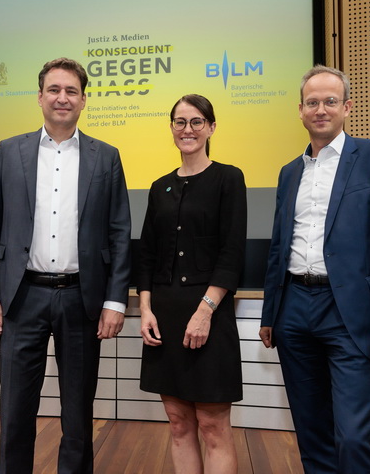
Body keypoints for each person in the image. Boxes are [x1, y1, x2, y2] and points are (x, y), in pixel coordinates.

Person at [0, 57, 131, 474]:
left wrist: (116, 302)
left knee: (78, 414)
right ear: (40, 96)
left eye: (71, 91)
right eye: (54, 90)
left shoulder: (107, 157)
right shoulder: (10, 151)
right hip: (20, 298)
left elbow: (119, 234)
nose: (63, 98)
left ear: (84, 100)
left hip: (82, 300)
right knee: (14, 410)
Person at [259, 65, 370, 473]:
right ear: (300, 110)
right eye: (312, 102)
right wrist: (270, 315)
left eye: (330, 101)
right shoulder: (289, 172)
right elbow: (279, 247)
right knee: (312, 435)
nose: (321, 109)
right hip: (293, 310)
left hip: (351, 314)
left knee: (353, 436)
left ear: (347, 107)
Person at [138, 94, 247, 474]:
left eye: (196, 121)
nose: (188, 129)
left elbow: (232, 253)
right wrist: (145, 310)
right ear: (171, 129)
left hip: (210, 315)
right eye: (180, 122)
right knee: (179, 423)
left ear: (211, 127)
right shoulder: (159, 187)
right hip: (164, 316)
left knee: (213, 427)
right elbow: (148, 255)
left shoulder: (228, 179)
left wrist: (205, 312)